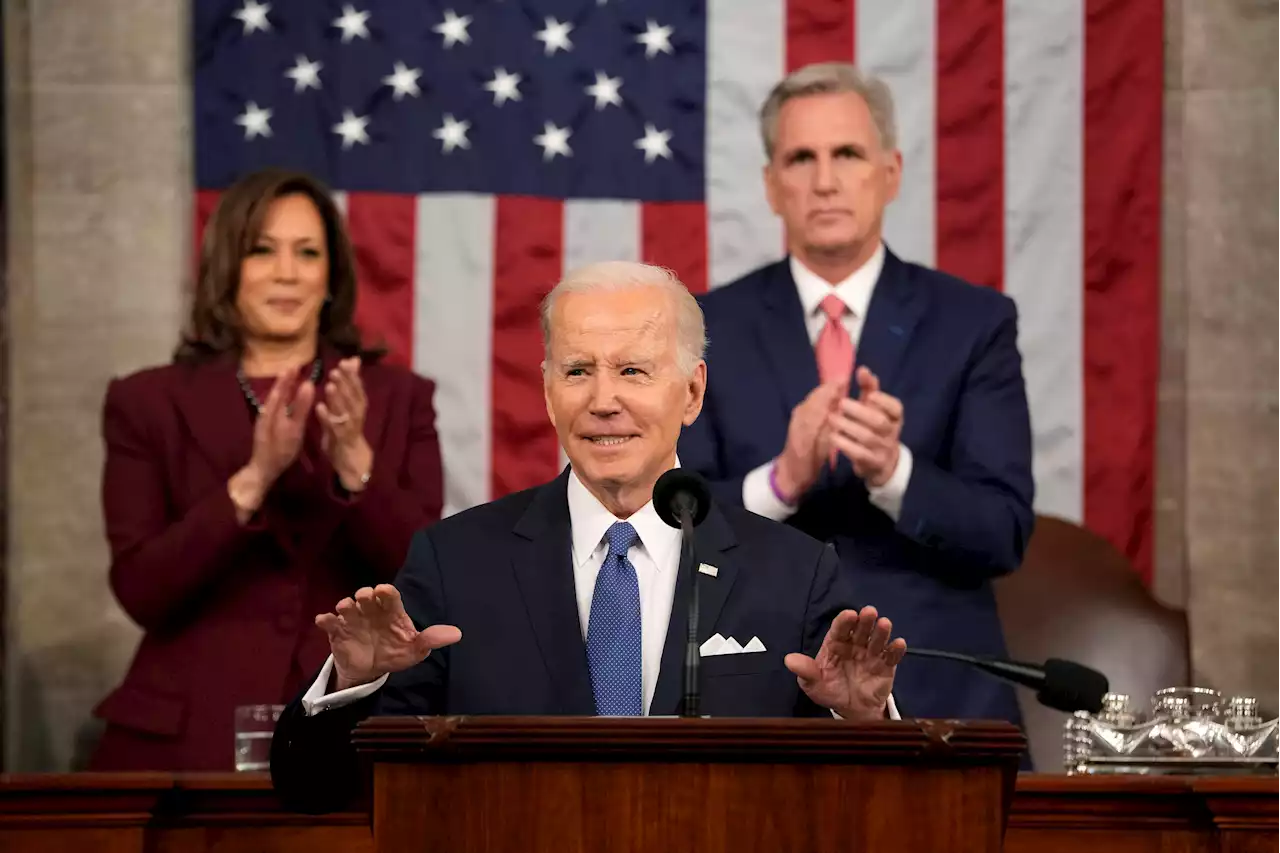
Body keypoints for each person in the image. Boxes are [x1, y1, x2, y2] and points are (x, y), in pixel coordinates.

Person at [269, 261, 906, 814]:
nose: (603, 400)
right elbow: (314, 790)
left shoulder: (793, 575)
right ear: (548, 394)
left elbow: (872, 810)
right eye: (577, 372)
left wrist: (861, 723)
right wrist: (356, 681)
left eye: (632, 370)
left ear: (692, 392)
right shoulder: (456, 565)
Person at [677, 63, 1034, 730]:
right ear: (770, 185)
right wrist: (780, 482)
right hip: (758, 689)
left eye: (847, 154)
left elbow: (1003, 533)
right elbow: (667, 526)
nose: (824, 180)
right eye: (800, 158)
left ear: (890, 172)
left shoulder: (974, 323)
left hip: (936, 692)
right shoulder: (703, 326)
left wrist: (894, 471)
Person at [88, 168, 444, 771]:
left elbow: (420, 578)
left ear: (331, 274)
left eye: (307, 253)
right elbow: (143, 591)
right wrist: (251, 480)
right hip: (188, 736)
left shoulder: (397, 399)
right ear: (228, 267)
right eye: (262, 251)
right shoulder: (146, 403)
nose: (286, 272)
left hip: (350, 730)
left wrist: (356, 461)